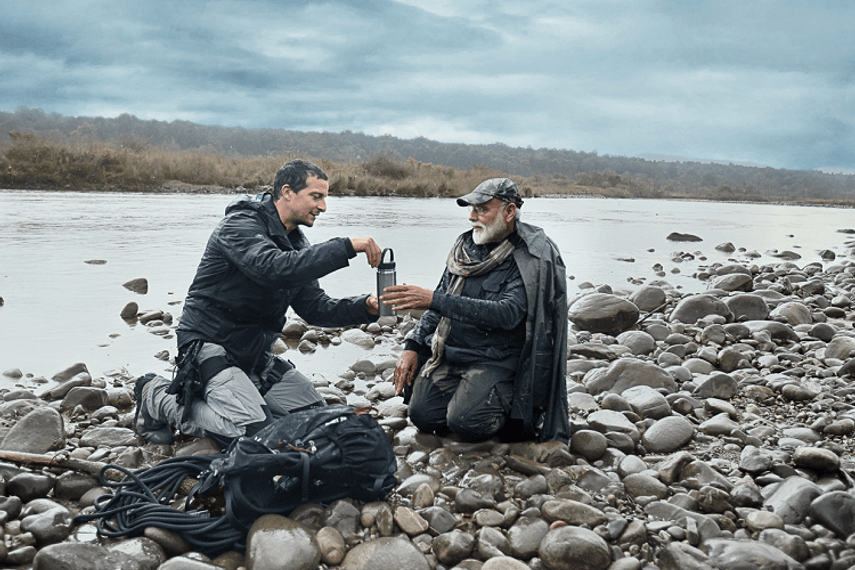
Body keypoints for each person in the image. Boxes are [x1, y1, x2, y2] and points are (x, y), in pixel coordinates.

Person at [134, 159, 382, 446]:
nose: (323, 206)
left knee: (315, 421)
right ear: (287, 192)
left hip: (253, 356)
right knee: (255, 434)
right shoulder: (240, 225)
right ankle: (155, 395)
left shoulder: (297, 245)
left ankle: (238, 395)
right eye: (317, 196)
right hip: (210, 346)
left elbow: (315, 307)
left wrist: (366, 307)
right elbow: (272, 268)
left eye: (325, 197)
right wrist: (347, 247)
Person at [381, 178, 570, 443]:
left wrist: (434, 299)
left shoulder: (530, 255)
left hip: (498, 360)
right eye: (470, 209)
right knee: (422, 416)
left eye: (481, 209)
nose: (471, 217)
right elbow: (437, 306)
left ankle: (509, 409)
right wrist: (411, 345)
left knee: (466, 424)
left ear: (509, 211)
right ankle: (470, 397)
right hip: (454, 354)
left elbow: (507, 313)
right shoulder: (464, 249)